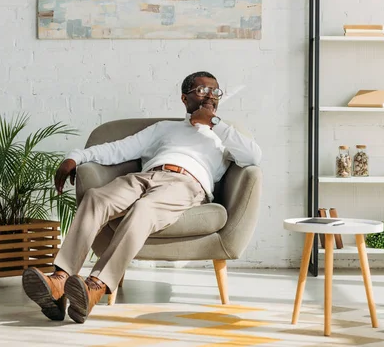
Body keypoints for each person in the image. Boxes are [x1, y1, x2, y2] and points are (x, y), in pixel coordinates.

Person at [22, 71, 262, 323]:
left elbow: (253, 158)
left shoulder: (224, 135)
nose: (210, 97)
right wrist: (76, 157)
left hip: (186, 184)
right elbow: (119, 149)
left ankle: (96, 286)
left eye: (215, 92)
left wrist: (216, 124)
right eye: (203, 90)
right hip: (146, 176)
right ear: (185, 98)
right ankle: (59, 280)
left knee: (144, 209)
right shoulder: (165, 128)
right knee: (95, 197)